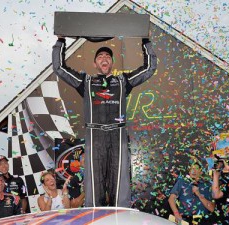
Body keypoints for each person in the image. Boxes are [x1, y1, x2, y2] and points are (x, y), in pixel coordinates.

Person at [52, 35, 157, 207]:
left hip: (118, 135)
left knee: (120, 187)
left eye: (108, 56)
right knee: (95, 189)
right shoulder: (86, 82)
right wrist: (60, 41)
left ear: (112, 62)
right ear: (95, 64)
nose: (104, 58)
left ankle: (120, 218)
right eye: (100, 57)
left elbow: (150, 68)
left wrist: (145, 42)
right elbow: (59, 68)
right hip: (95, 135)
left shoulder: (123, 81)